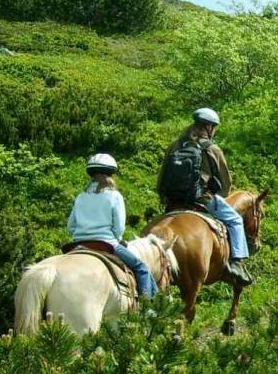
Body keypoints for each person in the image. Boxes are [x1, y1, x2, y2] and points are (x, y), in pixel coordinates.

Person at [157, 107, 253, 286]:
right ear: (209, 128)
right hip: (202, 200)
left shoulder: (175, 145)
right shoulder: (211, 149)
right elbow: (226, 185)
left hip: (173, 201)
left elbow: (162, 177)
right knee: (234, 220)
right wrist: (218, 196)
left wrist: (165, 198)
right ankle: (237, 263)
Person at [67, 153, 157, 297]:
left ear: (91, 175)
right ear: (111, 175)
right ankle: (148, 309)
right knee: (142, 268)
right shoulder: (115, 196)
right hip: (107, 243)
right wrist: (118, 238)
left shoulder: (81, 197)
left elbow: (71, 226)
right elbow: (119, 228)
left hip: (78, 244)